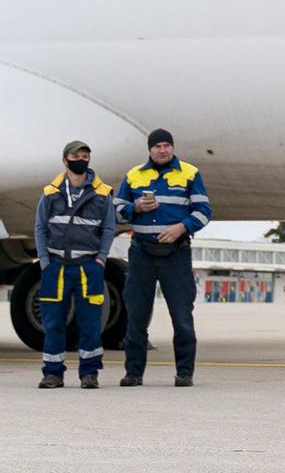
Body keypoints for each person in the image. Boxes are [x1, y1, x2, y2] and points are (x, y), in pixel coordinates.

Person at [115, 129, 212, 386]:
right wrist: (134, 208)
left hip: (176, 255)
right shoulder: (134, 175)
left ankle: (184, 373)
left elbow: (204, 211)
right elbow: (116, 211)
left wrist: (183, 227)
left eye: (166, 145)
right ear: (149, 150)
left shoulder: (190, 173)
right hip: (141, 254)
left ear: (172, 147)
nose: (162, 150)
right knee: (136, 316)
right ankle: (133, 373)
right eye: (157, 146)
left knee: (181, 316)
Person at [32, 141, 118, 389]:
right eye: (75, 156)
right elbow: (40, 227)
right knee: (53, 323)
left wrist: (101, 258)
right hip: (55, 267)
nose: (81, 159)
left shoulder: (102, 194)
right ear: (65, 160)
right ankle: (52, 373)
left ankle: (89, 373)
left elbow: (109, 228)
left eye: (85, 156)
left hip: (88, 267)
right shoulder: (50, 192)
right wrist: (45, 262)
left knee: (90, 323)